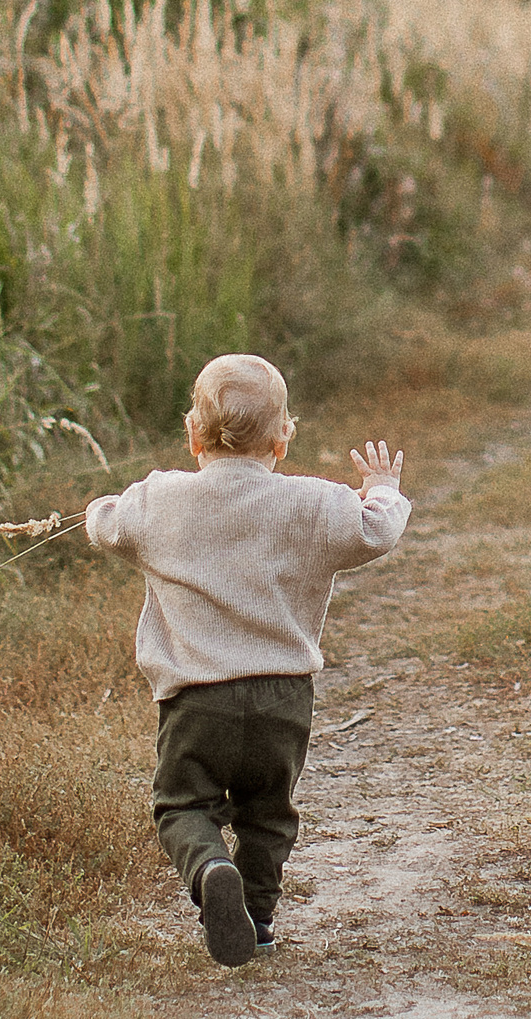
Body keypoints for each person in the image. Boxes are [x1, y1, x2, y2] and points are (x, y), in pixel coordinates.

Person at [83, 353, 409, 966]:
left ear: (192, 434)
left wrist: (98, 510)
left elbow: (107, 524)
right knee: (268, 814)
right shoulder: (315, 503)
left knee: (182, 805)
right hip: (282, 698)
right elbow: (376, 531)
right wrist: (384, 491)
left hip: (196, 700)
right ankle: (256, 919)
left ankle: (209, 869)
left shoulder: (160, 500)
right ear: (284, 439)